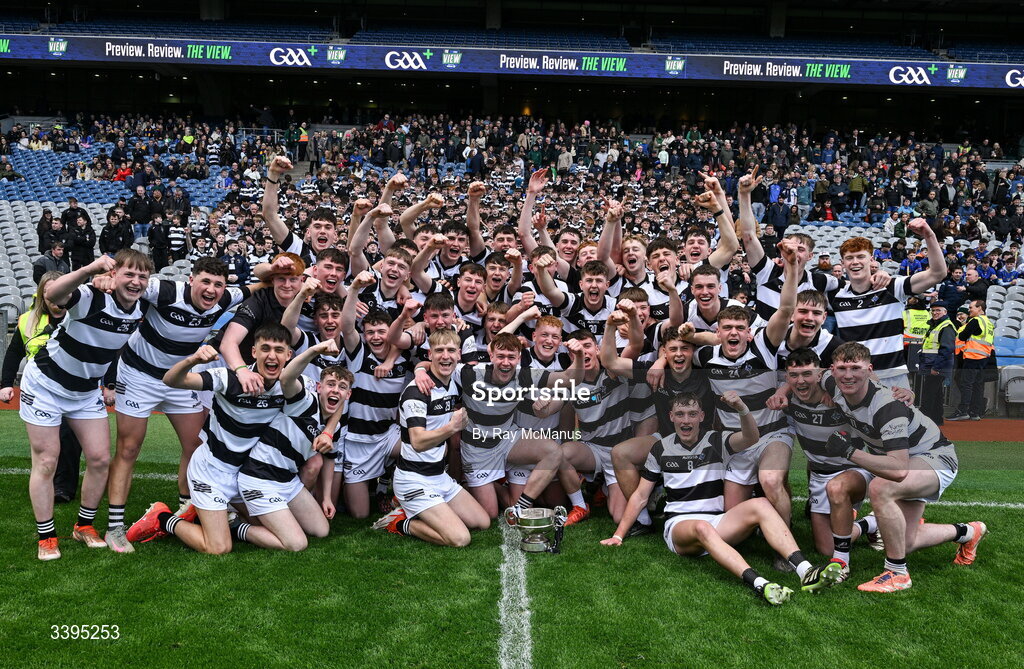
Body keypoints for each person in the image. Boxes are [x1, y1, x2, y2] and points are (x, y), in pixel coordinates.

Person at [601, 392, 843, 606]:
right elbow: (641, 496)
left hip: (719, 523)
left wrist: (742, 408)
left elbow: (750, 438)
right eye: (681, 414)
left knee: (760, 504)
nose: (686, 420)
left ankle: (806, 571)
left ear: (702, 416)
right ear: (672, 417)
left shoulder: (716, 440)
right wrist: (618, 535)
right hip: (680, 528)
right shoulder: (660, 448)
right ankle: (760, 584)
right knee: (701, 527)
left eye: (692, 414)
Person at [104, 257, 278, 553]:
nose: (211, 290)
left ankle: (187, 507)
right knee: (129, 448)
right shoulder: (164, 290)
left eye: (218, 284)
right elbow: (129, 286)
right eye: (205, 282)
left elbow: (261, 282)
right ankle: (114, 527)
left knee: (195, 445)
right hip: (139, 376)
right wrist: (105, 281)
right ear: (191, 281)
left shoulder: (228, 297)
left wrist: (278, 272)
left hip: (181, 379)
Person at [817, 342, 986, 592]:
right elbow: (816, 374)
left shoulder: (888, 406)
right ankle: (968, 532)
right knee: (841, 490)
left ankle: (897, 573)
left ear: (869, 370)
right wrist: (784, 390)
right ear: (833, 369)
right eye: (842, 368)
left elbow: (898, 470)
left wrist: (849, 451)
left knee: (881, 487)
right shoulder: (833, 381)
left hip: (932, 458)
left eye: (856, 368)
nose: (848, 375)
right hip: (891, 458)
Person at [20, 250, 152, 561]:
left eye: (142, 276)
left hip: (84, 392)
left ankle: (84, 525)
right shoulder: (92, 296)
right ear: (115, 274)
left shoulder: (143, 306)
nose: (135, 281)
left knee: (99, 459)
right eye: (128, 274)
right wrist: (91, 269)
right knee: (47, 461)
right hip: (45, 385)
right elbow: (51, 292)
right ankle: (47, 536)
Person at [127, 324, 298, 554]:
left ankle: (221, 518)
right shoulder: (229, 378)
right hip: (211, 471)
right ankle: (164, 517)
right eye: (265, 348)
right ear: (254, 352)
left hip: (245, 476)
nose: (271, 356)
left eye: (278, 350)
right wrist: (193, 360)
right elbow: (171, 380)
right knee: (219, 548)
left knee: (264, 527)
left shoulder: (288, 387)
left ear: (288, 356)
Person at [373, 329, 491, 546]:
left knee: (482, 522)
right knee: (460, 538)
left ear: (458, 355)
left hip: (440, 477)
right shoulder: (416, 392)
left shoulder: (455, 379)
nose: (445, 356)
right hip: (413, 479)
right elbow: (417, 442)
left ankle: (418, 509)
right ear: (429, 354)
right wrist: (452, 427)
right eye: (439, 351)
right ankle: (399, 521)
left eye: (450, 351)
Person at [231, 341, 351, 552]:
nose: (336, 390)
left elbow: (329, 458)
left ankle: (258, 515)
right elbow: (286, 378)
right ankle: (234, 526)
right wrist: (314, 350)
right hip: (260, 477)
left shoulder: (336, 426)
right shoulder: (304, 402)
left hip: (288, 481)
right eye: (331, 384)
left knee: (321, 530)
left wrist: (326, 498)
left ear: (348, 395)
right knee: (297, 544)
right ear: (319, 387)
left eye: (342, 387)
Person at [0, 272, 82, 504]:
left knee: (69, 437)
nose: (56, 302)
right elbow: (14, 352)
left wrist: (109, 384)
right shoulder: (27, 320)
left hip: (73, 389)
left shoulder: (80, 317)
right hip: (38, 389)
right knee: (46, 442)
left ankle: (63, 488)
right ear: (42, 296)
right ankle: (46, 479)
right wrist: (6, 384)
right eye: (50, 295)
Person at [947, 299, 993, 421]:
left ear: (980, 308)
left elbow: (962, 336)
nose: (969, 310)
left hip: (973, 356)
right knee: (977, 385)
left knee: (966, 384)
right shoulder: (988, 322)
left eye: (971, 307)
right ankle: (974, 412)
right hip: (983, 358)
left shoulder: (976, 320)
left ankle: (963, 411)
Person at [918, 301, 956, 425]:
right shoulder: (936, 325)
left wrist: (936, 367)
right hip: (933, 364)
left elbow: (946, 349)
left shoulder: (946, 326)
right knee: (936, 393)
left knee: (929, 394)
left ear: (945, 312)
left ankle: (924, 421)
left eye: (938, 310)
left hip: (936, 366)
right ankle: (936, 419)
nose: (934, 313)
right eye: (933, 310)